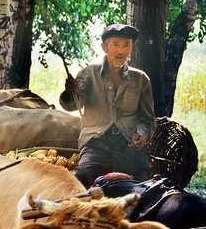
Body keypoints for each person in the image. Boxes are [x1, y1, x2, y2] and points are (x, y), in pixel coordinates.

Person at [59, 24, 155, 187]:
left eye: (126, 45)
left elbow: (148, 120)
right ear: (104, 47)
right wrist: (70, 92)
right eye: (116, 44)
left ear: (132, 48)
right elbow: (71, 104)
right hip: (96, 145)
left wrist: (142, 134)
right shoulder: (89, 74)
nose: (121, 51)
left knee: (144, 185)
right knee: (83, 178)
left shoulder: (141, 79)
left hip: (129, 147)